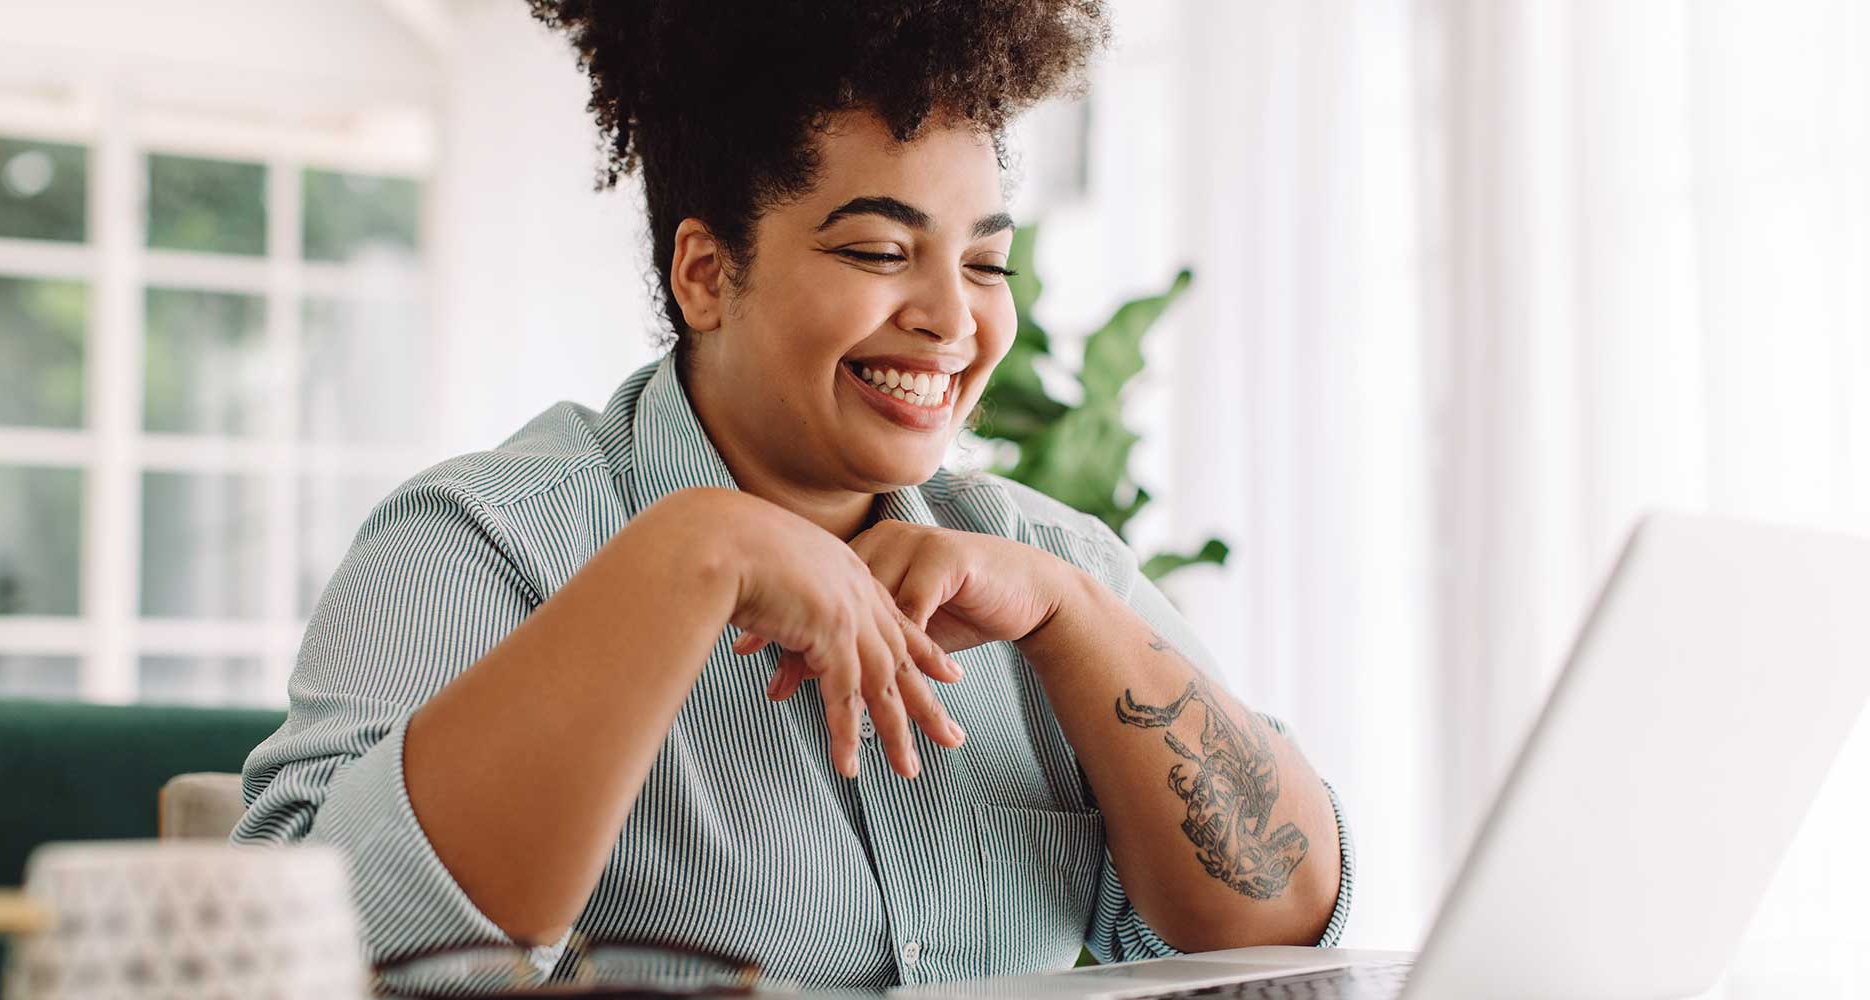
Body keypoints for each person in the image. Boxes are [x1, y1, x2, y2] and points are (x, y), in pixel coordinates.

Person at [234, 0, 1353, 993]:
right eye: (877, 251)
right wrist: (688, 555)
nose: (952, 320)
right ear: (705, 274)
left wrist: (1075, 622)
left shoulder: (1048, 568)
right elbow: (304, 958)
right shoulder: (479, 543)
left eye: (983, 264)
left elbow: (1282, 930)